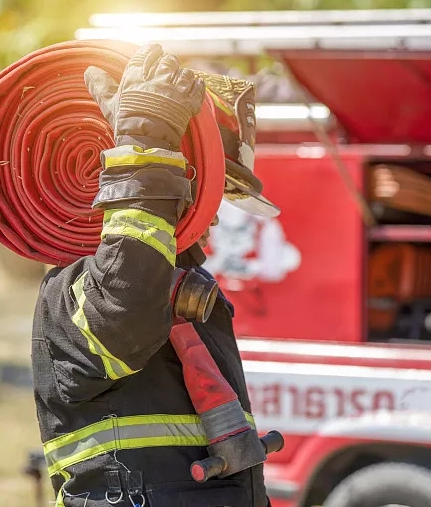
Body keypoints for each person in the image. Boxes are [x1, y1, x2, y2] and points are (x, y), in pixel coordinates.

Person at [31, 43, 278, 507]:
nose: (216, 216)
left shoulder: (176, 279)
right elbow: (126, 306)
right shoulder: (76, 293)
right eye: (208, 189)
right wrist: (145, 138)